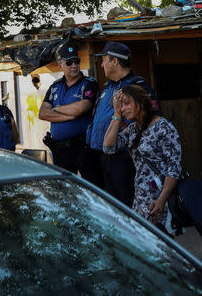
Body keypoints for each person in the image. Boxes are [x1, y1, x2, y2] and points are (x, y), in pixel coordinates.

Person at [87, 41, 157, 207]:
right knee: (111, 206)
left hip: (124, 158)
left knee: (126, 205)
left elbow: (149, 120)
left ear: (115, 61)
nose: (102, 63)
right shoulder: (108, 86)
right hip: (103, 156)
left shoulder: (136, 86)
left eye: (104, 59)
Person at [103, 85, 181, 230]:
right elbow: (108, 147)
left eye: (127, 103)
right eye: (121, 105)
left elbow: (174, 169)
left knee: (160, 246)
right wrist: (116, 114)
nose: (123, 108)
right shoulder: (133, 129)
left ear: (141, 102)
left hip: (159, 200)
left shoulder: (163, 127)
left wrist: (161, 200)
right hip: (140, 198)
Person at [38, 43, 103, 187]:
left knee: (92, 188)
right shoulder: (55, 86)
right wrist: (68, 116)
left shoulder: (89, 83)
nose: (74, 65)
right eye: (69, 62)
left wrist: (56, 108)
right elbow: (42, 113)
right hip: (60, 149)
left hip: (83, 148)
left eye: (77, 61)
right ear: (61, 65)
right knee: (64, 190)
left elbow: (82, 108)